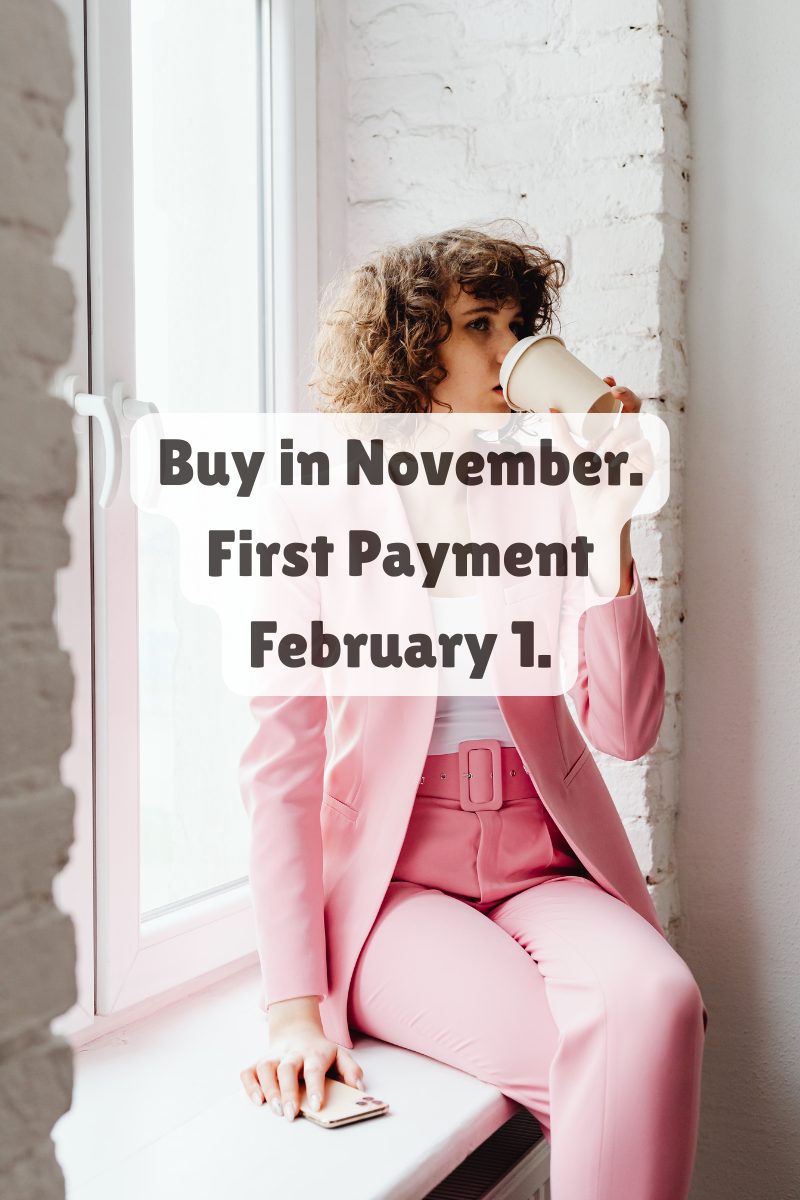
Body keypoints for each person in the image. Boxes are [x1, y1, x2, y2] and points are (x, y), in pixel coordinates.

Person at [238, 227, 707, 1199]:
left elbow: (622, 730)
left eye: (519, 325)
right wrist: (291, 1005)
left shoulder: (544, 498)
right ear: (411, 349)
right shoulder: (305, 507)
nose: (510, 350)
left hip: (542, 856)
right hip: (397, 884)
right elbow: (280, 766)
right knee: (601, 1066)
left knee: (660, 1002)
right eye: (479, 326)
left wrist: (606, 523)